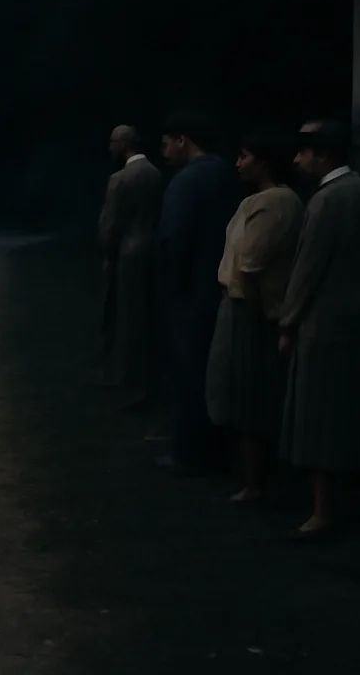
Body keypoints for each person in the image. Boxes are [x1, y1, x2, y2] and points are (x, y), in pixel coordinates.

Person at [278, 119, 360, 539]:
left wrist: (288, 322)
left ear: (323, 155)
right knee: (348, 413)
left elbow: (307, 269)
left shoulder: (326, 201)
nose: (297, 159)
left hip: (324, 324)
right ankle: (347, 498)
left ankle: (322, 509)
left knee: (318, 416)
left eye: (304, 151)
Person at [205, 128, 304, 502]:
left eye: (245, 156)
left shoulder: (275, 202)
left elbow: (250, 263)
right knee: (242, 393)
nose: (238, 163)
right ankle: (252, 477)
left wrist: (248, 307)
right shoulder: (262, 200)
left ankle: (255, 483)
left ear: (263, 161)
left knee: (248, 396)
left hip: (250, 308)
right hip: (243, 304)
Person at [156, 110, 239, 476]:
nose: (163, 149)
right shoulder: (226, 173)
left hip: (190, 291)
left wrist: (169, 287)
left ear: (182, 140)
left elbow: (174, 240)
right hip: (222, 285)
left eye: (166, 141)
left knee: (188, 371)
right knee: (215, 370)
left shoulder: (185, 182)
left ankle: (188, 452)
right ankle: (219, 446)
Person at [97, 125, 165, 404]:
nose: (110, 147)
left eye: (113, 142)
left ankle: (129, 380)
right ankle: (147, 381)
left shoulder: (120, 178)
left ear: (124, 144)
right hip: (152, 250)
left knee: (126, 317)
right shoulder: (156, 174)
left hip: (128, 252)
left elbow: (110, 225)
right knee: (147, 318)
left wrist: (106, 253)